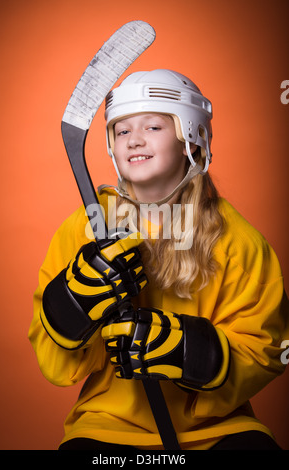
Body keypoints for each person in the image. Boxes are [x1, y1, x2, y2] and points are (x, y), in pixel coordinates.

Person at [29, 69, 288, 450]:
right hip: (107, 425)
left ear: (192, 137)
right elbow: (55, 363)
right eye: (121, 131)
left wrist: (193, 353)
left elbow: (268, 349)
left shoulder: (238, 239)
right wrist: (72, 307)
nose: (134, 140)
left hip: (219, 428)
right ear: (111, 146)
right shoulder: (84, 229)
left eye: (153, 127)